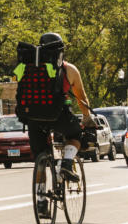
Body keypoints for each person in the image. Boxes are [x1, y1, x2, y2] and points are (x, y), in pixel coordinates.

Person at [12, 32, 95, 194]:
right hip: (58, 115)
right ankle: (66, 163)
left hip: (32, 117)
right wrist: (87, 117)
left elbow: (19, 89)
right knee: (76, 135)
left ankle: (41, 201)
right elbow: (81, 98)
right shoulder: (69, 69)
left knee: (40, 161)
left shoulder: (23, 67)